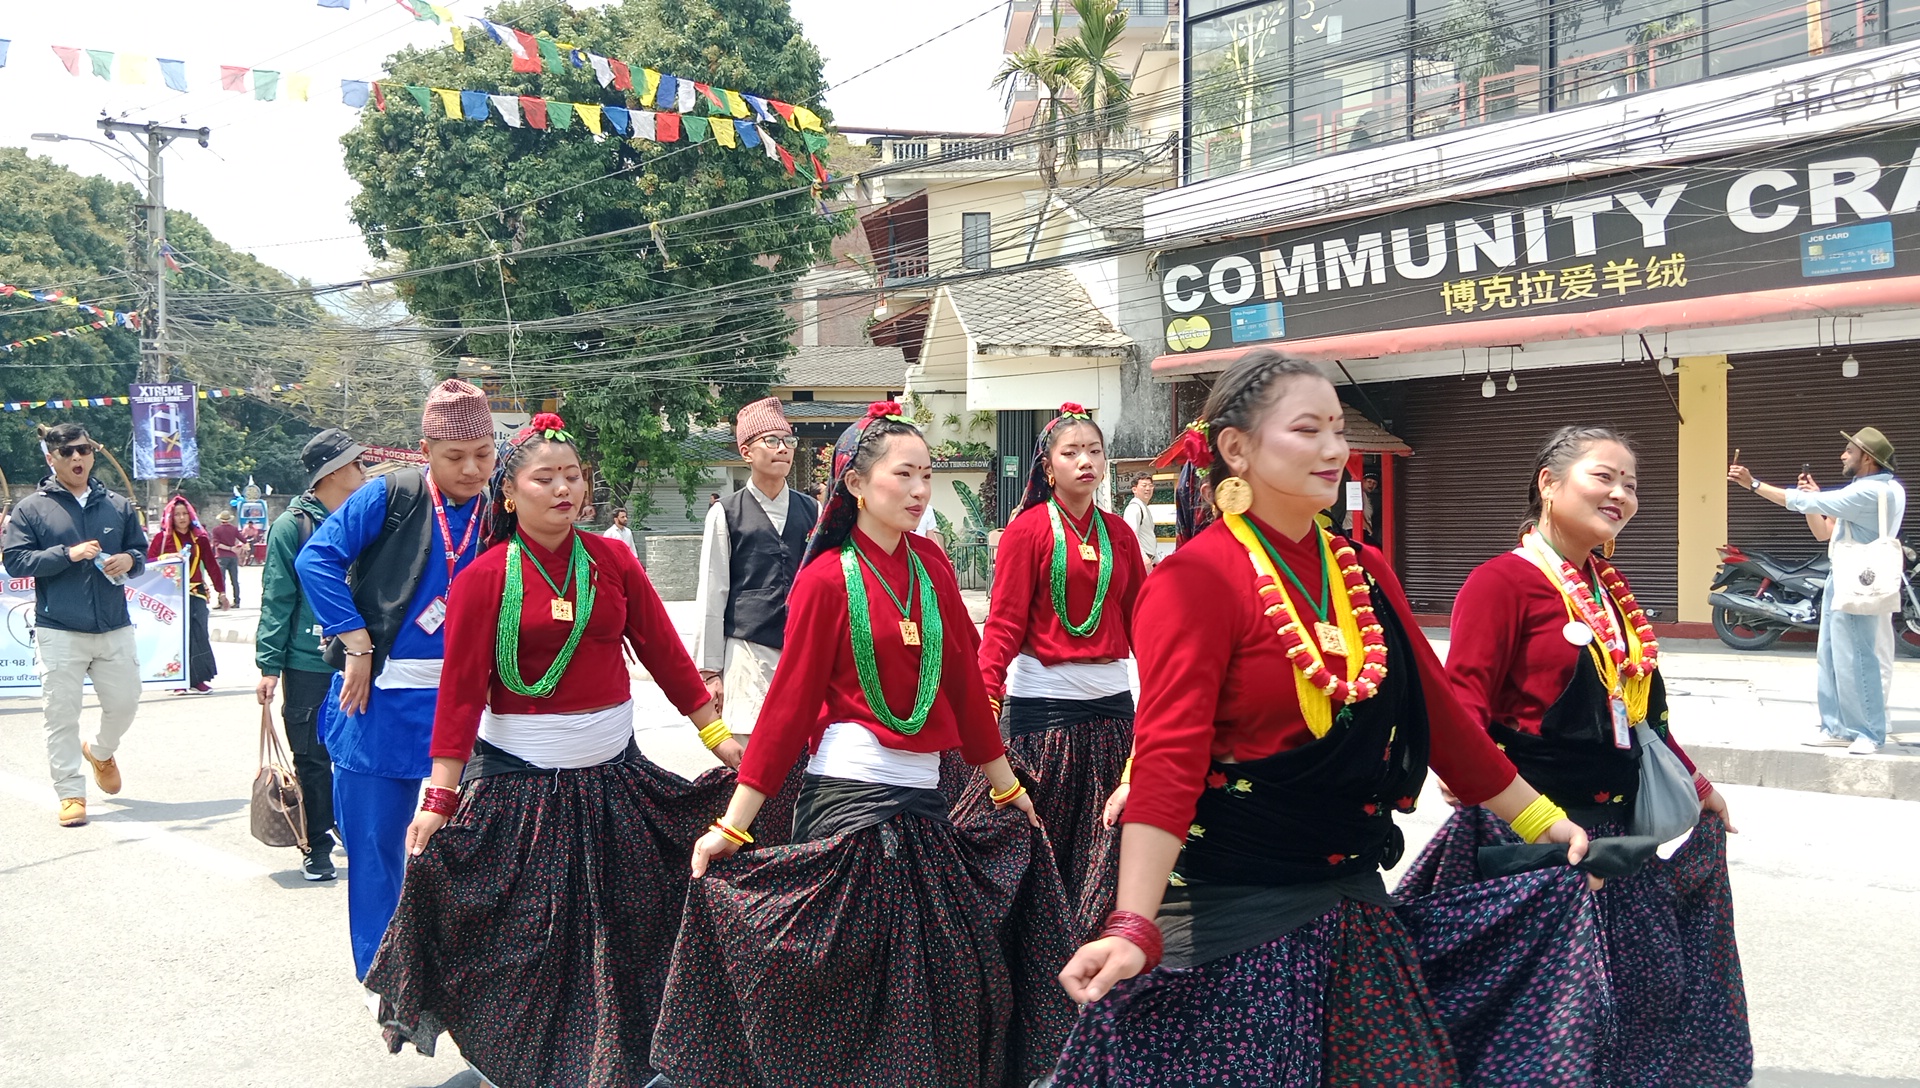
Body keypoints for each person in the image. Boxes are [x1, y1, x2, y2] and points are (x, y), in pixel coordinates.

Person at [1052, 351, 1592, 1086]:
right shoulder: (1195, 579)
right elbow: (1168, 763)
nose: (1334, 448)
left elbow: (1442, 720)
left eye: (1338, 429)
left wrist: (1543, 822)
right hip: (1235, 914)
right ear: (1236, 448)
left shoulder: (1364, 571)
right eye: (1308, 430)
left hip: (1354, 907)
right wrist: (1133, 924)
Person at [653, 402, 1076, 1088]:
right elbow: (788, 711)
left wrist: (1007, 789)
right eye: (903, 474)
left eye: (927, 475)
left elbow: (965, 690)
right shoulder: (826, 578)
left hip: (926, 805)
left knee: (945, 989)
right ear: (854, 483)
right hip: (849, 803)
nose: (919, 490)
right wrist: (733, 826)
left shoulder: (932, 566)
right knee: (857, 997)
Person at [364, 414, 739, 1087]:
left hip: (615, 780)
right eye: (546, 478)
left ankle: (621, 1061)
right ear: (509, 494)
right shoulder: (484, 578)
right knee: (524, 943)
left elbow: (664, 653)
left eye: (573, 476)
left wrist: (717, 736)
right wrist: (440, 798)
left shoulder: (613, 562)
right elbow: (460, 695)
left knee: (632, 929)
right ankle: (518, 1064)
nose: (565, 488)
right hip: (521, 790)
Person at [1431, 424, 1751, 1085]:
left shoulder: (1609, 591)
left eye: (1631, 483)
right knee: (1540, 1024)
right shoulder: (1500, 582)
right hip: (1533, 838)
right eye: (1604, 476)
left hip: (1614, 838)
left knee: (1639, 1002)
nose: (1621, 494)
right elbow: (1461, 709)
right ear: (1549, 484)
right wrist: (1480, 783)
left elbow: (1640, 715)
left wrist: (1699, 787)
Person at [297, 378, 496, 981]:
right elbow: (316, 559)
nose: (471, 469)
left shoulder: (500, 505)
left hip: (468, 706)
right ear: (425, 451)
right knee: (377, 849)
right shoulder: (392, 494)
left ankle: (456, 973)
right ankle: (384, 977)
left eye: (483, 454)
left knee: (466, 850)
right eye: (455, 456)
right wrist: (355, 642)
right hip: (378, 702)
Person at [975, 402, 1147, 937]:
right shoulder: (1026, 531)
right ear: (1048, 467)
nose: (1085, 461)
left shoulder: (1120, 534)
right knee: (1042, 856)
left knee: (1107, 855)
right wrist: (984, 701)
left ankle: (1098, 967)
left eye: (1094, 451)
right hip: (1044, 716)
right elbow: (1003, 626)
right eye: (1071, 452)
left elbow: (1143, 624)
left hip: (1114, 714)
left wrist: (1168, 689)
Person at [2, 423, 148, 827]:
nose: (77, 457)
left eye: (83, 449)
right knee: (60, 716)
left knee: (126, 703)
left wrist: (130, 561)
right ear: (51, 459)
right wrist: (68, 554)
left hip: (114, 624)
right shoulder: (31, 508)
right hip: (58, 628)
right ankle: (70, 792)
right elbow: (15, 561)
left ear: (92, 453)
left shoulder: (117, 504)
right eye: (67, 452)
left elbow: (140, 551)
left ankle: (100, 752)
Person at [1730, 429, 1907, 754]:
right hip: (1842, 575)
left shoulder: (1872, 492)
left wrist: (1753, 484)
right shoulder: (1867, 489)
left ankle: (1869, 732)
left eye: (1849, 451)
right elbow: (1823, 530)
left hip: (1862, 579)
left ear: (1868, 458)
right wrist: (1816, 499)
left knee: (1859, 657)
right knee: (1831, 654)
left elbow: (1801, 502)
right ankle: (1836, 727)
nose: (1843, 455)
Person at [256, 429, 368, 882]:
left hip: (362, 656)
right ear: (333, 471)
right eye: (356, 463)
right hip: (308, 660)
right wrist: (269, 666)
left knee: (358, 753)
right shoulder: (293, 526)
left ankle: (352, 829)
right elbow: (277, 597)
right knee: (313, 756)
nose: (363, 469)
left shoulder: (368, 516)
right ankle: (316, 844)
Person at [692, 397, 818, 744]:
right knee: (752, 747)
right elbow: (712, 592)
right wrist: (710, 671)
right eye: (771, 440)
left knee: (807, 748)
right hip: (748, 651)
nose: (783, 449)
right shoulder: (726, 513)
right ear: (746, 452)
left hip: (803, 650)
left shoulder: (812, 510)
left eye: (789, 441)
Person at [148, 495, 226, 693]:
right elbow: (148, 562)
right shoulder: (162, 539)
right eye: (177, 514)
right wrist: (167, 557)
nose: (182, 518)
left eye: (185, 514)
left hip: (196, 592)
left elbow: (211, 565)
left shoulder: (200, 539)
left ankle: (197, 679)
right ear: (170, 517)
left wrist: (221, 591)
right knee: (175, 636)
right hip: (170, 595)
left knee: (199, 634)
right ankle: (176, 681)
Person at [1122, 471, 1158, 569]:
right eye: (1144, 485)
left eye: (1150, 485)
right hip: (1141, 561)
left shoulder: (1144, 507)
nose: (1148, 489)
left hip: (1148, 560)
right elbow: (1131, 536)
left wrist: (1156, 560)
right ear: (1134, 489)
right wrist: (1144, 558)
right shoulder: (1134, 508)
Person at [210, 511, 244, 609]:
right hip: (233, 557)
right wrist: (235, 548)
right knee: (234, 580)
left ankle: (221, 602)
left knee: (221, 580)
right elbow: (243, 540)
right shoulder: (234, 529)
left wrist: (229, 548)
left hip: (221, 556)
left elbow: (217, 544)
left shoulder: (216, 530)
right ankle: (237, 601)